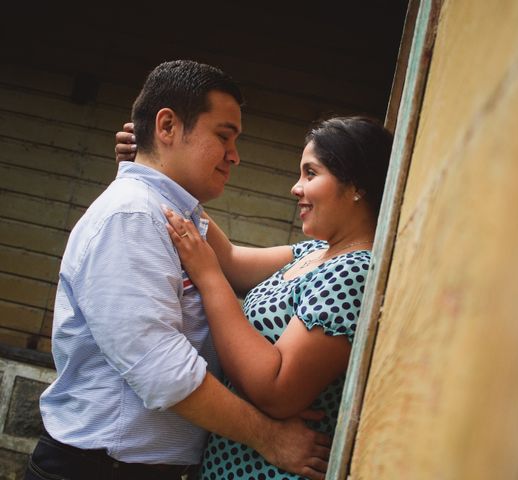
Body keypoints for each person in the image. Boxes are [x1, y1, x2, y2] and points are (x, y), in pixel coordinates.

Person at [27, 60, 330, 480]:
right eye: (223, 136)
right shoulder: (132, 217)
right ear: (166, 126)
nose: (235, 156)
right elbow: (162, 372)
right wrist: (270, 437)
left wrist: (345, 244)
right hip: (98, 469)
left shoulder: (173, 213)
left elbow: (238, 266)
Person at [117, 115, 393, 479]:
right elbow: (231, 259)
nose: (296, 188)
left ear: (355, 184)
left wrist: (209, 277)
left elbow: (277, 389)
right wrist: (158, 171)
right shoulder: (314, 254)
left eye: (311, 174)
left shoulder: (355, 271)